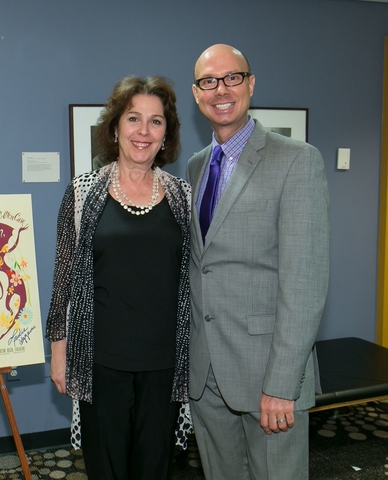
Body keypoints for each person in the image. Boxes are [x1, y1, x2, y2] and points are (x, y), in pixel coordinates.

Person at [186, 44, 330, 479]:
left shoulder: (297, 160)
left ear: (251, 84)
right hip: (206, 374)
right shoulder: (195, 166)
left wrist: (281, 386)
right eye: (209, 81)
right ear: (197, 94)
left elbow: (304, 283)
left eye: (232, 77)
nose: (221, 89)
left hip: (269, 373)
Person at [45, 75, 192, 480]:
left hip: (165, 365)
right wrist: (59, 354)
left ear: (167, 133)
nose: (144, 131)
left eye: (156, 121)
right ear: (114, 128)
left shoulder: (183, 196)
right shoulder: (82, 192)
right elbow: (63, 282)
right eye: (133, 119)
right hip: (100, 362)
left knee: (154, 470)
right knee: (106, 469)